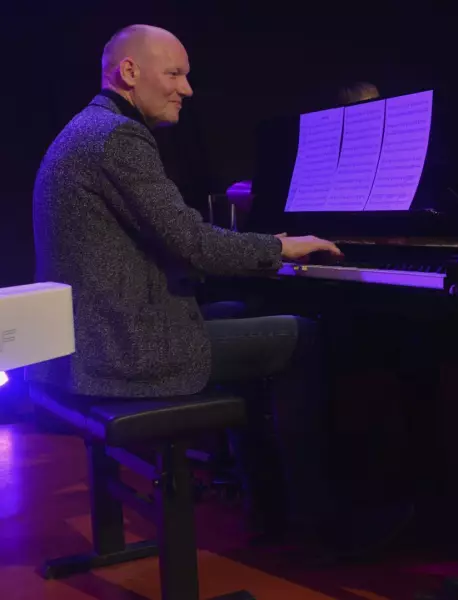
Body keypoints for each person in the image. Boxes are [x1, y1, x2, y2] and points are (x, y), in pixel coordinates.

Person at [27, 24, 343, 545]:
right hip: (121, 350)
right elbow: (192, 244)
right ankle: (318, 524)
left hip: (96, 340)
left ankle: (267, 508)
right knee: (302, 337)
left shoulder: (87, 128)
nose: (187, 89)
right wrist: (278, 248)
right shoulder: (118, 137)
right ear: (129, 72)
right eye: (174, 74)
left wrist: (254, 249)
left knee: (243, 311)